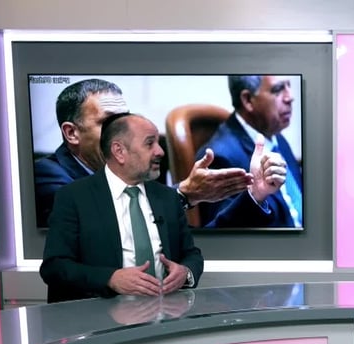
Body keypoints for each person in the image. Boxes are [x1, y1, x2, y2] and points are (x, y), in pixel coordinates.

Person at [33, 78, 252, 227]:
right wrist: (185, 194)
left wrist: (255, 198)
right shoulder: (45, 175)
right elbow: (100, 225)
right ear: (72, 133)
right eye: (109, 123)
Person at [40, 113, 204, 304]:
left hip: (165, 311)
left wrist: (186, 273)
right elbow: (55, 267)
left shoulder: (167, 198)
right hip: (100, 315)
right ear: (119, 151)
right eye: (149, 143)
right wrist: (110, 279)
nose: (160, 151)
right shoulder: (73, 197)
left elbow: (191, 254)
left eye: (158, 143)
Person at [195, 75, 303, 228]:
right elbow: (224, 234)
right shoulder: (221, 158)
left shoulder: (275, 136)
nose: (290, 97)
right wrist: (255, 195)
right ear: (248, 100)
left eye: (288, 86)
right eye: (278, 89)